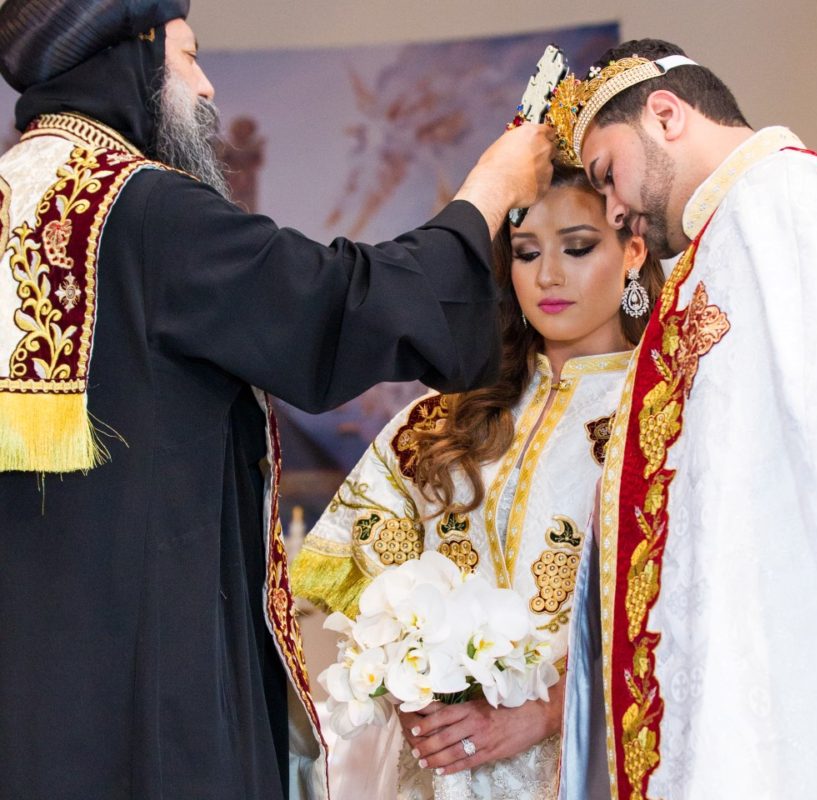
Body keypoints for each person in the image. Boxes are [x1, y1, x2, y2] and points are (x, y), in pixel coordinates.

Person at [0, 2, 556, 798]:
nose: (207, 83)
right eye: (188, 57)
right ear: (137, 53)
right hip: (145, 700)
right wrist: (491, 190)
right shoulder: (139, 209)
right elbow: (337, 307)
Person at [556, 38, 817, 800]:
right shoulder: (733, 228)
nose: (613, 207)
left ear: (667, 114)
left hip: (801, 658)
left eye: (608, 173)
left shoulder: (785, 202)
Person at [292, 162, 664, 799]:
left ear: (633, 249)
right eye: (525, 253)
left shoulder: (664, 418)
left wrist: (545, 709)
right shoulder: (439, 419)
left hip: (589, 756)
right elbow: (363, 578)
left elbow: (682, 608)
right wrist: (404, 680)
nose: (548, 275)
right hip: (443, 769)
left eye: (578, 247)